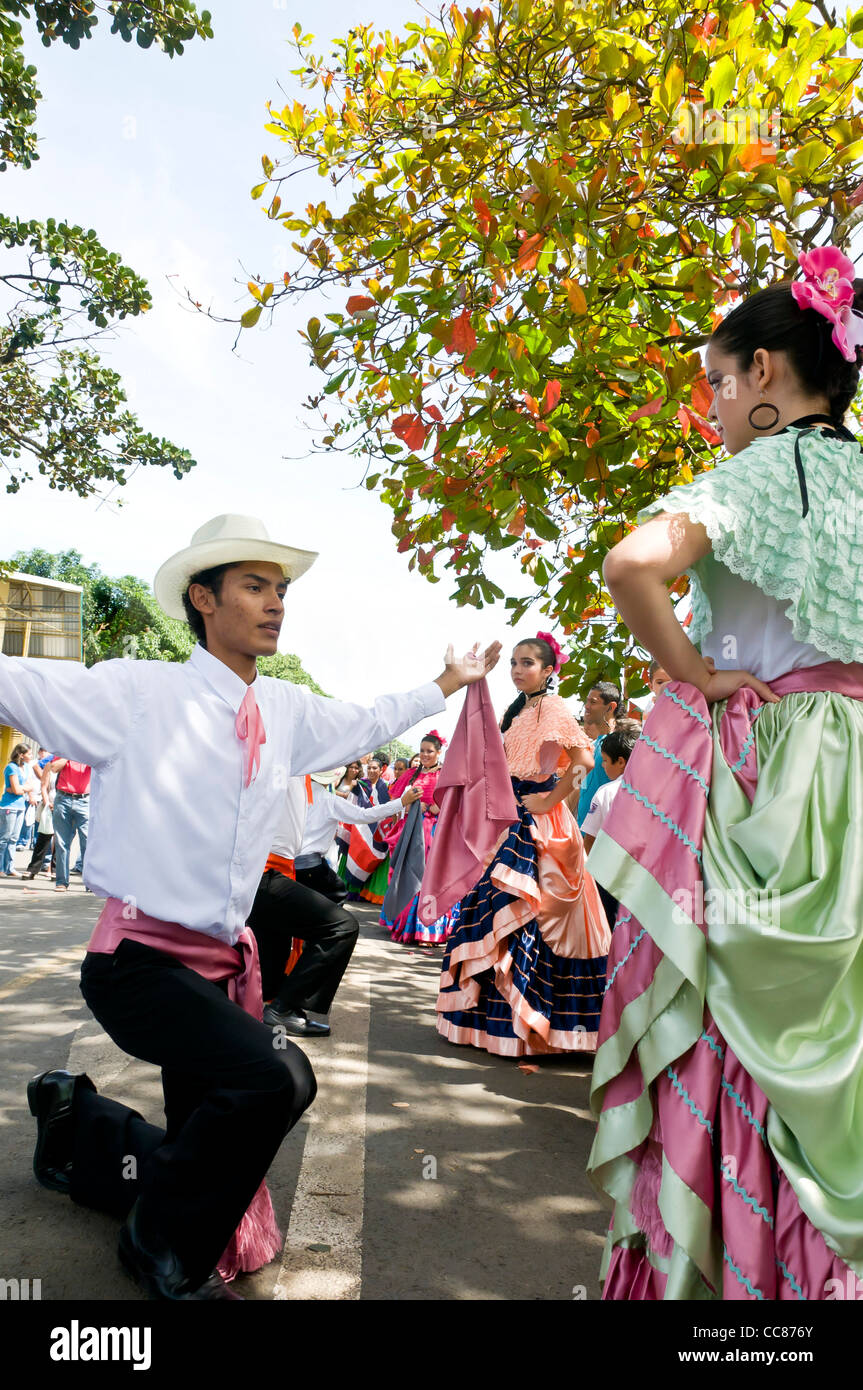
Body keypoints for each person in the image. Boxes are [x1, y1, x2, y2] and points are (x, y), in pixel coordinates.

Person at [2, 511, 500, 1302]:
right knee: (276, 1082)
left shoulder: (286, 710)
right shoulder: (138, 689)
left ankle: (76, 1122)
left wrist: (448, 683)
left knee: (204, 1137)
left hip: (219, 965)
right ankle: (156, 1246)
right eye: (254, 586)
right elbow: (18, 682)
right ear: (202, 598)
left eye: (281, 590)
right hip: (136, 963)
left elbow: (369, 719)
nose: (275, 604)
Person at [587, 245, 863, 1301]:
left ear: (761, 374)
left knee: (736, 1041)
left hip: (775, 773)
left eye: (713, 380)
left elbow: (630, 564)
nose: (708, 404)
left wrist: (697, 673)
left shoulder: (754, 472)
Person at [436, 634, 612, 1055]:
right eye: (515, 662)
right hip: (514, 819)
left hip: (538, 822)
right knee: (498, 911)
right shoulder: (523, 709)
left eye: (528, 662)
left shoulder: (551, 707)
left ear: (549, 670)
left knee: (527, 914)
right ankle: (496, 1025)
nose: (518, 669)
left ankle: (529, 1028)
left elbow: (585, 763)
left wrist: (548, 800)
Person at [253, 773, 421, 1037]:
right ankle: (282, 1007)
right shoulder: (310, 789)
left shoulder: (298, 783)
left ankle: (271, 999)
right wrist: (401, 801)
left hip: (277, 870)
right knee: (339, 926)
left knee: (275, 939)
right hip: (275, 870)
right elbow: (366, 815)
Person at [380, 730, 456, 945]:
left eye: (429, 751)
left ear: (439, 752)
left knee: (429, 879)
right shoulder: (412, 774)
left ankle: (427, 929)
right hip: (410, 830)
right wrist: (411, 805)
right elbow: (395, 801)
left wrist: (437, 807)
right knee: (408, 875)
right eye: (422, 751)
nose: (424, 755)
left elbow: (454, 800)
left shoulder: (445, 775)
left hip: (434, 833)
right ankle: (404, 923)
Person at [580, 726, 639, 928]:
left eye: (605, 760)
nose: (603, 766)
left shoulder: (606, 792)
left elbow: (590, 840)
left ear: (620, 762)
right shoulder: (656, 793)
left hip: (610, 879)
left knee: (609, 928)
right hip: (644, 878)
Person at [575, 681, 621, 827]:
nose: (587, 707)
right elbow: (576, 787)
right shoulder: (590, 746)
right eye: (587, 701)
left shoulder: (622, 744)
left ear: (611, 707)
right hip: (582, 834)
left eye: (593, 702)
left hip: (606, 835)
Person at [45, 757, 91, 893]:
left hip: (84, 800)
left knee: (87, 842)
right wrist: (70, 754)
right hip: (63, 799)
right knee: (61, 843)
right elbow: (54, 768)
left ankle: (90, 882)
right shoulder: (65, 750)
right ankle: (61, 882)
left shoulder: (89, 750)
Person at [0, 743, 30, 877]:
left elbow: (27, 787)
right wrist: (22, 788)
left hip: (20, 806)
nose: (31, 756)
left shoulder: (25, 768)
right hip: (9, 807)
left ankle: (9, 868)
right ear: (21, 755)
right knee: (4, 838)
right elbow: (17, 790)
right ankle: (1, 868)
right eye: (28, 754)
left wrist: (20, 788)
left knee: (14, 839)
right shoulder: (11, 767)